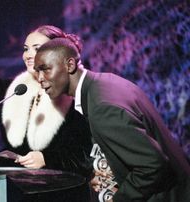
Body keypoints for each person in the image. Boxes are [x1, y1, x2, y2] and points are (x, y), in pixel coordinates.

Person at [0, 0, 94, 201]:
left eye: (37, 48)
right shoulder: (18, 91)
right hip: (26, 193)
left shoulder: (74, 93)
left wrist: (47, 159)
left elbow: (86, 156)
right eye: (26, 48)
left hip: (66, 194)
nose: (29, 55)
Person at [33, 37, 190, 202]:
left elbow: (152, 167)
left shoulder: (102, 107)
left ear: (70, 65)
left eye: (45, 69)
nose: (40, 78)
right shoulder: (103, 83)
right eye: (37, 71)